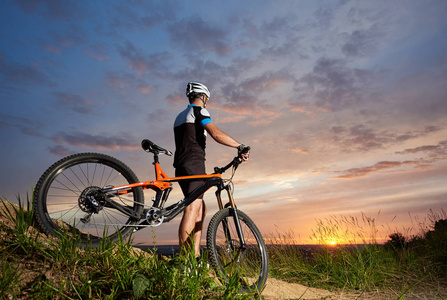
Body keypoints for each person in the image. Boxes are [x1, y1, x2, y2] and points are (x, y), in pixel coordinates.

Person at [173, 82, 249, 256]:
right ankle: (184, 259)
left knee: (201, 207)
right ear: (203, 97)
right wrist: (240, 146)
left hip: (182, 166)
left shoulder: (180, 116)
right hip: (194, 165)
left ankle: (195, 255)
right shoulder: (199, 111)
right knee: (193, 207)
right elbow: (215, 133)